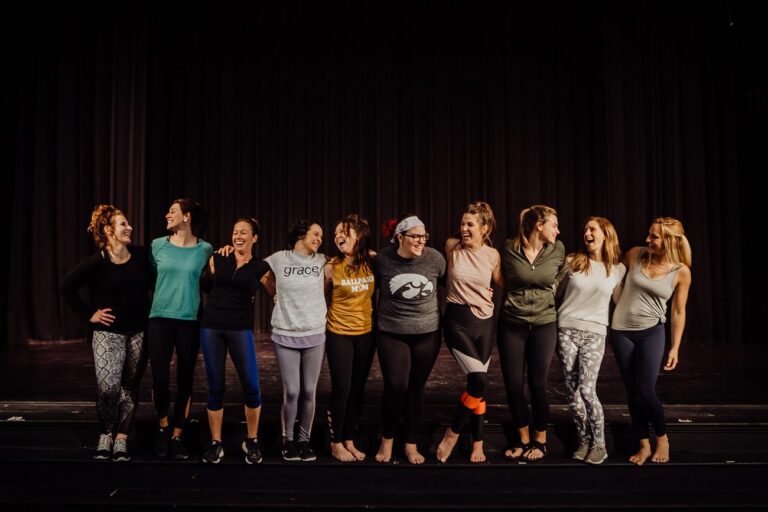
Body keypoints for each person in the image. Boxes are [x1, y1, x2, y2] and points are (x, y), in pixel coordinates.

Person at [61, 205, 152, 462]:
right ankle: (106, 433)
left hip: (138, 332)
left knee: (129, 387)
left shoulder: (142, 256)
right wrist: (89, 314)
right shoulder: (96, 262)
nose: (129, 227)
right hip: (107, 333)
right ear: (108, 230)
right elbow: (67, 287)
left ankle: (121, 438)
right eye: (123, 224)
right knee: (108, 388)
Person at [610, 217, 692, 465]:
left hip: (651, 332)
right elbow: (610, 273)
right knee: (633, 392)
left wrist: (675, 347)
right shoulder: (635, 254)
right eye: (649, 234)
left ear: (670, 240)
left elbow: (678, 311)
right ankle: (643, 444)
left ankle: (662, 439)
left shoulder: (681, 272)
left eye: (654, 236)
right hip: (621, 331)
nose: (648, 239)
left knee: (645, 390)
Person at [375, 214, 445, 464]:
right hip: (392, 332)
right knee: (396, 386)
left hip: (427, 333)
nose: (420, 241)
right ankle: (387, 439)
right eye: (414, 236)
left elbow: (451, 284)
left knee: (416, 388)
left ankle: (411, 443)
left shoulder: (435, 258)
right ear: (399, 237)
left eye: (423, 236)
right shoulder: (383, 259)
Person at [436, 202, 503, 463]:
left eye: (470, 224)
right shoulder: (452, 247)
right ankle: (452, 434)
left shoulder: (493, 255)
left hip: (485, 322)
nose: (464, 228)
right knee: (479, 381)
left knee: (477, 386)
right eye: (462, 223)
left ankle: (478, 444)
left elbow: (502, 282)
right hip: (457, 321)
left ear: (484, 228)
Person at [199, 217, 270, 464]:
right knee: (215, 387)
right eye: (235, 232)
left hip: (240, 329)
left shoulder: (261, 267)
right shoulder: (218, 258)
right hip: (212, 328)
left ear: (255, 238)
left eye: (244, 232)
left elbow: (277, 294)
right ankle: (216, 443)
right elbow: (205, 286)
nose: (238, 236)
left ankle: (252, 440)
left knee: (251, 386)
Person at [556, 217, 625, 465]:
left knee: (586, 390)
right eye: (585, 229)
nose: (587, 233)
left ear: (605, 234)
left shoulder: (617, 269)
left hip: (595, 333)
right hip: (567, 330)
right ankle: (584, 441)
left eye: (592, 229)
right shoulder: (572, 261)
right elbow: (555, 291)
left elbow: (620, 302)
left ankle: (600, 444)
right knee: (572, 392)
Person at [148, 198, 213, 460]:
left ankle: (177, 433)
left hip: (189, 320)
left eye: (172, 211)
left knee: (185, 379)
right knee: (160, 380)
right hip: (159, 319)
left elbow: (209, 282)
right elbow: (150, 279)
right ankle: (163, 427)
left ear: (187, 217)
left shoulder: (205, 249)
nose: (167, 215)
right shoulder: (157, 245)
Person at [499, 205, 564, 462]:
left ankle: (541, 440)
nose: (558, 231)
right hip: (512, 325)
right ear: (539, 225)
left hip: (544, 324)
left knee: (537, 384)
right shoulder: (509, 248)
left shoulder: (557, 249)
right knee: (514, 385)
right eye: (554, 225)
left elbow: (559, 278)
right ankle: (522, 439)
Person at [262, 220, 326, 462]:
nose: (319, 239)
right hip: (285, 333)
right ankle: (287, 440)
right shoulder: (279, 259)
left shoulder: (323, 261)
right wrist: (273, 292)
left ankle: (304, 440)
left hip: (314, 333)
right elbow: (259, 273)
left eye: (321, 236)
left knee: (309, 391)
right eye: (316, 234)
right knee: (292, 391)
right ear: (301, 234)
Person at [324, 214, 376, 462]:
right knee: (342, 389)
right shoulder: (331, 266)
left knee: (357, 389)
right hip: (339, 334)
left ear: (359, 235)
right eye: (335, 233)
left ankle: (349, 440)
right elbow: (318, 298)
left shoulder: (373, 261)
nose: (338, 236)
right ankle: (335, 443)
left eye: (343, 232)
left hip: (366, 334)